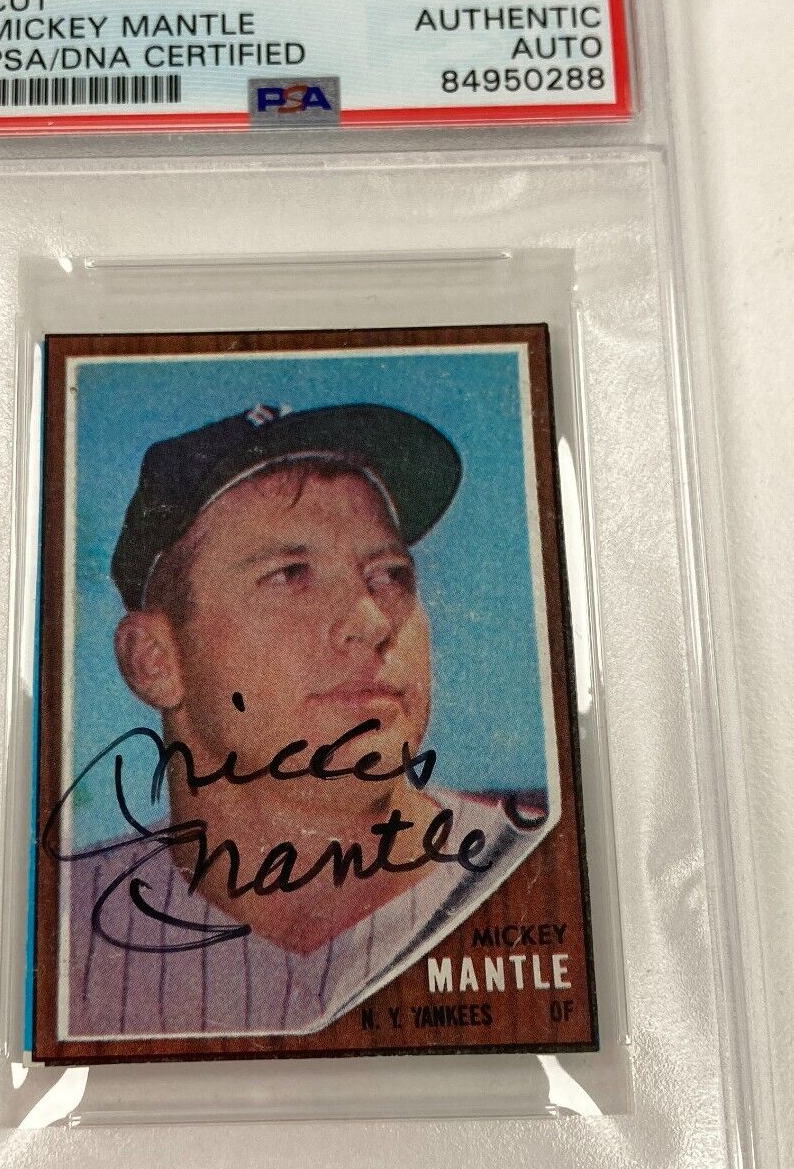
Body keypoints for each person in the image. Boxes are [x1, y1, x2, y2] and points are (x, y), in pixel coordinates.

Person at [56, 399, 552, 1039]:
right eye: (290, 575)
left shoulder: (542, 861)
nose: (372, 621)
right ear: (155, 659)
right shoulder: (60, 924)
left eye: (389, 575)